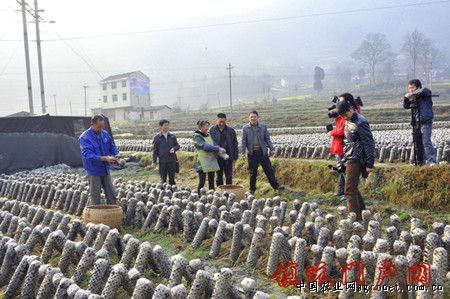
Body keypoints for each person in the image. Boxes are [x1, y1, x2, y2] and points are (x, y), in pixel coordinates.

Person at [337, 101, 375, 221]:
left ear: (350, 109)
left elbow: (369, 143)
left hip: (357, 158)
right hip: (350, 156)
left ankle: (355, 220)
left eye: (345, 115)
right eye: (342, 116)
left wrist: (370, 163)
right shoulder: (349, 121)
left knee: (349, 190)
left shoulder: (361, 121)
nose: (344, 118)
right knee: (352, 188)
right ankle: (363, 214)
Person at [79, 115, 119, 205]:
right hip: (94, 170)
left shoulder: (104, 134)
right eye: (99, 127)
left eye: (102, 126)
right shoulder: (85, 138)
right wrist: (104, 158)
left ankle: (112, 213)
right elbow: (87, 155)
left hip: (105, 168)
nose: (101, 129)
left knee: (111, 193)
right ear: (92, 125)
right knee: (95, 196)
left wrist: (117, 154)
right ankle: (96, 216)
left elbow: (111, 146)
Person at [328, 93, 362, 198]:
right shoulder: (343, 115)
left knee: (344, 170)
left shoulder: (351, 116)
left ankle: (348, 193)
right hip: (341, 144)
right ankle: (342, 191)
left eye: (341, 101)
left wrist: (331, 132)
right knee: (340, 168)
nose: (339, 103)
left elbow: (343, 130)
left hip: (345, 146)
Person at [242, 110, 281, 194]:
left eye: (254, 116)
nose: (253, 118)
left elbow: (267, 139)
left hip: (262, 152)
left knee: (269, 170)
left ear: (258, 117)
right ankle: (252, 189)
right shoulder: (245, 128)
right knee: (253, 172)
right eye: (251, 117)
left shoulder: (263, 127)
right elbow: (244, 141)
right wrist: (243, 152)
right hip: (252, 153)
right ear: (249, 118)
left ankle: (276, 186)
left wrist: (272, 149)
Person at [403, 79, 436, 165]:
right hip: (416, 122)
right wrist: (406, 98)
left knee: (426, 141)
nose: (410, 90)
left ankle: (432, 161)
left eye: (412, 87)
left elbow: (425, 90)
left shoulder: (425, 92)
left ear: (418, 87)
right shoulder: (414, 97)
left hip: (426, 121)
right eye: (409, 88)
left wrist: (412, 93)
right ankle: (420, 161)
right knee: (417, 142)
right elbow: (406, 106)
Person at [194, 120, 226, 194]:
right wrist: (218, 148)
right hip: (202, 162)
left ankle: (212, 196)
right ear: (200, 127)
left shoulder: (208, 135)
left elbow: (213, 144)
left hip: (210, 160)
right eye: (205, 126)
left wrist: (219, 148)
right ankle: (200, 196)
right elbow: (205, 146)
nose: (207, 128)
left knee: (211, 181)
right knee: (202, 181)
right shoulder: (197, 136)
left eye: (208, 126)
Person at [209, 113, 239, 186]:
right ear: (216, 120)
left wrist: (235, 156)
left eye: (223, 122)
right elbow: (210, 143)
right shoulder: (212, 130)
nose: (222, 123)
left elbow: (235, 144)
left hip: (228, 156)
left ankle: (228, 191)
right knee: (219, 176)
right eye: (220, 122)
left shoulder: (231, 130)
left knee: (229, 176)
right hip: (217, 156)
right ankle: (220, 192)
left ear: (226, 120)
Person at [152, 119, 180, 185]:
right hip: (162, 161)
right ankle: (163, 193)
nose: (167, 126)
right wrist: (154, 161)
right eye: (165, 125)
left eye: (168, 125)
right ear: (160, 126)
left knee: (172, 179)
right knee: (163, 179)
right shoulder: (157, 137)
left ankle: (172, 192)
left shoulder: (172, 136)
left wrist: (174, 148)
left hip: (172, 160)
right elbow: (155, 150)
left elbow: (177, 145)